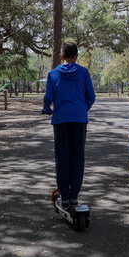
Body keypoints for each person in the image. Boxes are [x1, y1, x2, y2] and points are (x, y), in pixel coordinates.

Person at [43, 42, 95, 209]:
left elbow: (48, 98)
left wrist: (47, 109)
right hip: (79, 118)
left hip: (60, 119)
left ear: (60, 56)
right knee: (78, 156)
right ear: (76, 56)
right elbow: (91, 97)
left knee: (62, 157)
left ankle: (64, 197)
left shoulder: (53, 74)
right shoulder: (84, 72)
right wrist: (82, 109)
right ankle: (74, 197)